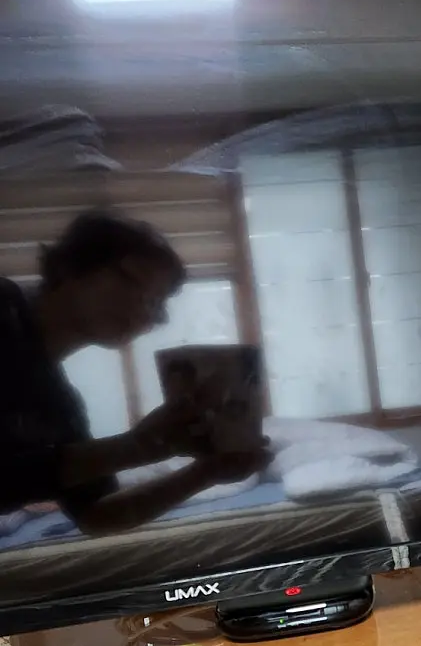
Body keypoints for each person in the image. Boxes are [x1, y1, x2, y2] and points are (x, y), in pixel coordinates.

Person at [0, 209, 267, 535]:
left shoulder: (59, 406)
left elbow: (98, 516)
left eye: (155, 301)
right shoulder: (4, 305)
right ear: (69, 266)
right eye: (131, 280)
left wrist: (205, 473)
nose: (142, 308)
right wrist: (135, 447)